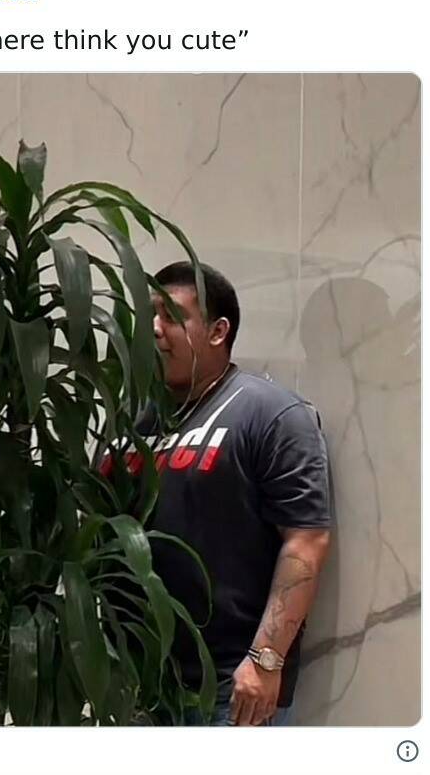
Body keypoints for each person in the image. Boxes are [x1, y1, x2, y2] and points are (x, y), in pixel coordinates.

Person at [135, 261, 331, 726]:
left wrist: (266, 660)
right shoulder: (136, 419)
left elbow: (307, 539)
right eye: (149, 315)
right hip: (143, 681)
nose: (154, 329)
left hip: (231, 686)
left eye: (171, 316)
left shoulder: (271, 414)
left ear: (218, 331)